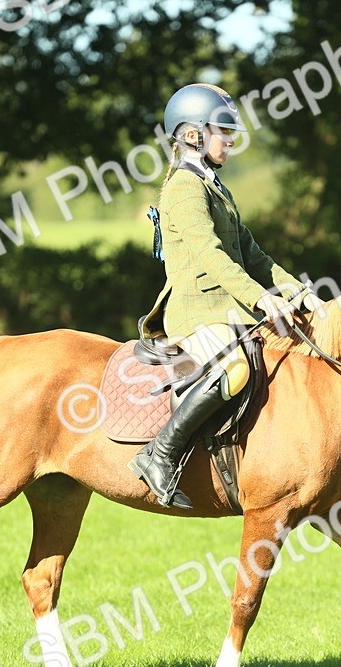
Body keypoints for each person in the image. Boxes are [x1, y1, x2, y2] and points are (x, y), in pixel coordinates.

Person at [132, 83, 325, 509]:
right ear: (193, 135)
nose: (232, 139)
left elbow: (254, 255)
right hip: (195, 311)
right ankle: (159, 455)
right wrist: (261, 299)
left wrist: (298, 291)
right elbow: (211, 256)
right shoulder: (184, 187)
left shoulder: (214, 185)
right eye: (223, 130)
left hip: (226, 309)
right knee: (234, 370)